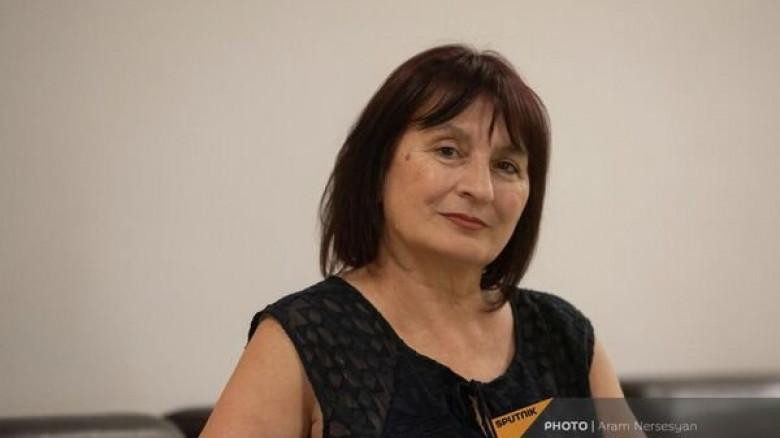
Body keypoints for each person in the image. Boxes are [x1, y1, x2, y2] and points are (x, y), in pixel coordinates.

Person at [201, 43, 625, 438]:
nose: (481, 189)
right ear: (376, 167)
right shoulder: (302, 339)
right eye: (448, 151)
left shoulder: (564, 336)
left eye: (506, 166)